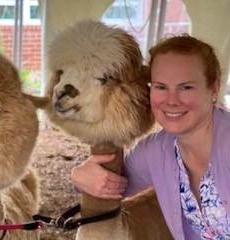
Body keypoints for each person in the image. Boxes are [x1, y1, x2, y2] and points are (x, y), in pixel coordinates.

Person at [71, 34, 230, 239]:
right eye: (161, 87)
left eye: (186, 87)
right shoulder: (156, 150)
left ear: (214, 88)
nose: (171, 100)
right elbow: (111, 184)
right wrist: (78, 176)